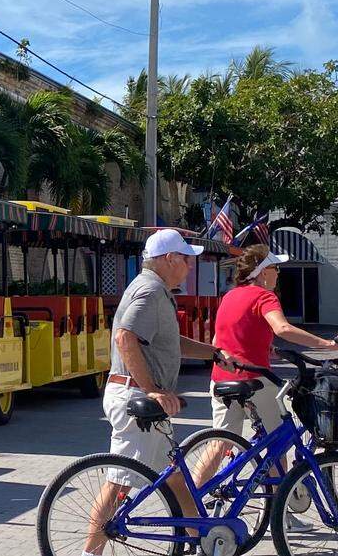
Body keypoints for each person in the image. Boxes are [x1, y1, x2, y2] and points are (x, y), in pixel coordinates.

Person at [81, 229, 238, 556]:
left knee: (175, 478)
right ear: (169, 259)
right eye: (186, 259)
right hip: (136, 400)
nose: (190, 267)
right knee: (120, 481)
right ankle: (89, 553)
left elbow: (170, 343)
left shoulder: (156, 290)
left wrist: (213, 352)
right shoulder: (150, 291)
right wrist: (151, 390)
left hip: (146, 403)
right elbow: (125, 337)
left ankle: (203, 541)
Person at [191, 244, 338, 528]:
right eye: (276, 268)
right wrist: (327, 344)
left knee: (219, 443)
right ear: (263, 272)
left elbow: (220, 339)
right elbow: (283, 328)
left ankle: (189, 505)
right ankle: (281, 513)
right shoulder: (264, 296)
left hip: (222, 379)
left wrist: (266, 347)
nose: (278, 273)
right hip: (255, 381)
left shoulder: (229, 296)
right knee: (279, 441)